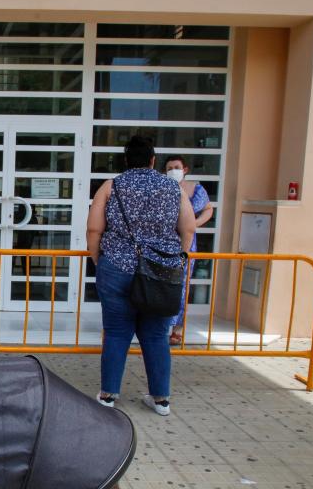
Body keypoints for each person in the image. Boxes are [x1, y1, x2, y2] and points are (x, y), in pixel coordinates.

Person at [86, 135, 195, 416]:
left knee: (117, 332)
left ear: (125, 160)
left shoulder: (112, 186)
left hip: (117, 267)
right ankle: (161, 400)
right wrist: (177, 261)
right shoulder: (173, 188)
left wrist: (101, 261)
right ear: (153, 160)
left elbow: (94, 229)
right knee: (157, 334)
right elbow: (189, 229)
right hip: (161, 271)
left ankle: (108, 395)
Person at [163, 155, 214, 345]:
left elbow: (208, 209)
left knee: (182, 286)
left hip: (186, 243)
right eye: (169, 168)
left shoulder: (195, 189)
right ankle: (159, 326)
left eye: (176, 167)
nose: (173, 170)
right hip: (164, 242)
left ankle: (177, 329)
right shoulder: (162, 188)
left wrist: (194, 224)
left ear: (184, 169)